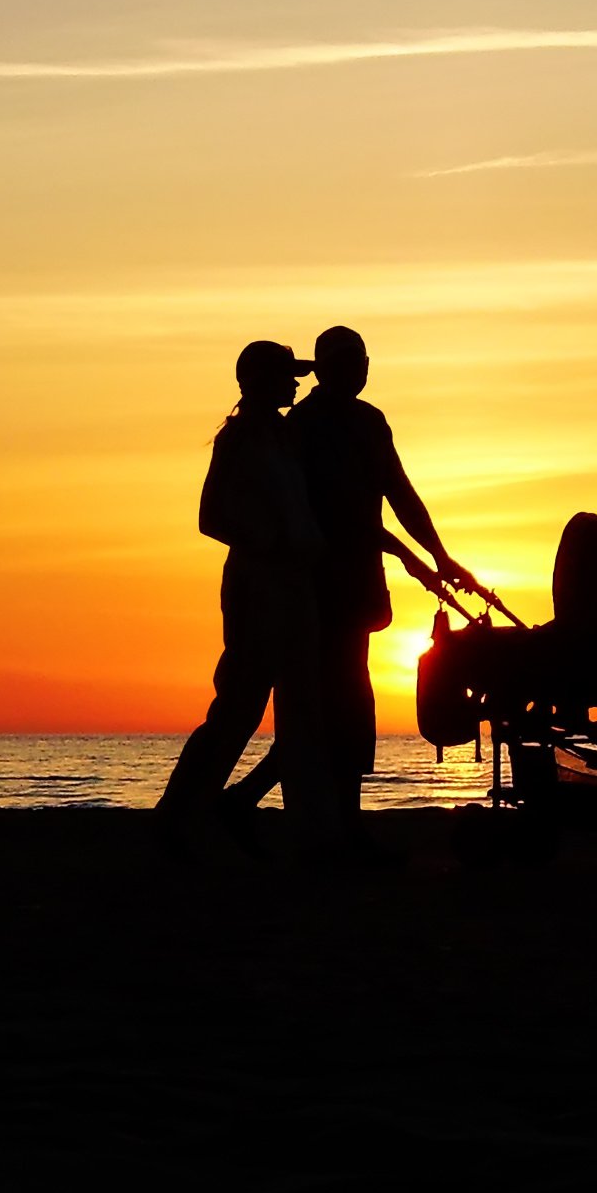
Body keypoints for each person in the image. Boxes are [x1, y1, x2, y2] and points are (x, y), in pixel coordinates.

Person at [228, 326, 471, 833]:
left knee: (350, 706)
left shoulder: (370, 420)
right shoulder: (305, 426)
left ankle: (308, 813)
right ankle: (320, 821)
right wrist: (413, 556)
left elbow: (398, 492)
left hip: (359, 589)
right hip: (318, 591)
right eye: (345, 361)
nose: (358, 369)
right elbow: (340, 515)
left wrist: (439, 555)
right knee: (331, 707)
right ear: (324, 368)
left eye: (362, 359)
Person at [155, 340, 336, 848]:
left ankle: (308, 829)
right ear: (258, 381)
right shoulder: (238, 439)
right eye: (288, 376)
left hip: (295, 584)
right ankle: (178, 819)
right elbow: (210, 516)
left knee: (302, 708)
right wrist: (273, 543)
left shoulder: (284, 435)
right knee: (239, 708)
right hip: (260, 586)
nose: (297, 385)